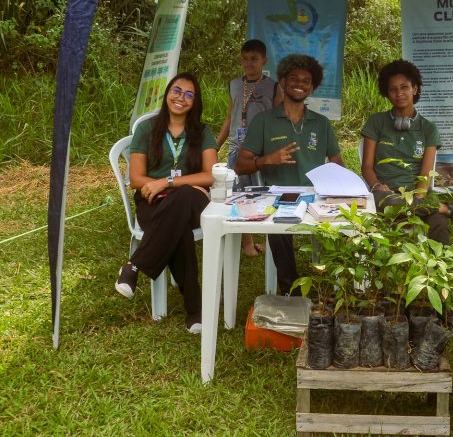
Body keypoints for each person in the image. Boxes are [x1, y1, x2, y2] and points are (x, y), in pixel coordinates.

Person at [115, 73, 218, 334]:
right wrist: (164, 186)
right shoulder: (147, 129)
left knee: (182, 197)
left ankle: (134, 265)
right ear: (167, 93)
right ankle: (195, 309)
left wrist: (167, 183)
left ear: (195, 102)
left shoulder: (202, 132)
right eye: (176, 91)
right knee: (178, 227)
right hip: (153, 201)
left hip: (192, 200)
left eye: (189, 94)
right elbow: (136, 178)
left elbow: (210, 175)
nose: (181, 98)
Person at [235, 54, 343, 295]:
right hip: (278, 195)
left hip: (316, 196)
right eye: (294, 78)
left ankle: (329, 287)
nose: (300, 84)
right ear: (283, 82)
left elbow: (337, 162)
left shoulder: (321, 123)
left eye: (306, 81)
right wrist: (267, 160)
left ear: (312, 87)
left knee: (339, 225)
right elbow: (240, 165)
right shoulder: (264, 121)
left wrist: (338, 186)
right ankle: (290, 289)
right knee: (278, 224)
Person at [361, 59, 453, 245]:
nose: (399, 93)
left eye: (404, 87)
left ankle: (442, 262)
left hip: (418, 193)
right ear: (387, 93)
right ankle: (446, 208)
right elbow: (367, 166)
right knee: (387, 202)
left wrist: (417, 200)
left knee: (439, 225)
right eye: (393, 89)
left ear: (415, 89)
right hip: (385, 193)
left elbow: (425, 174)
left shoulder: (428, 129)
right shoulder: (376, 122)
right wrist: (377, 185)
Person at [217, 39, 284, 256]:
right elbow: (229, 117)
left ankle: (268, 236)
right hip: (237, 148)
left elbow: (279, 120)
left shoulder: (273, 86)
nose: (248, 63)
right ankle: (247, 241)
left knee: (264, 193)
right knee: (239, 193)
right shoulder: (234, 84)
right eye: (245, 59)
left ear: (264, 60)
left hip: (262, 150)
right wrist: (216, 145)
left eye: (254, 59)